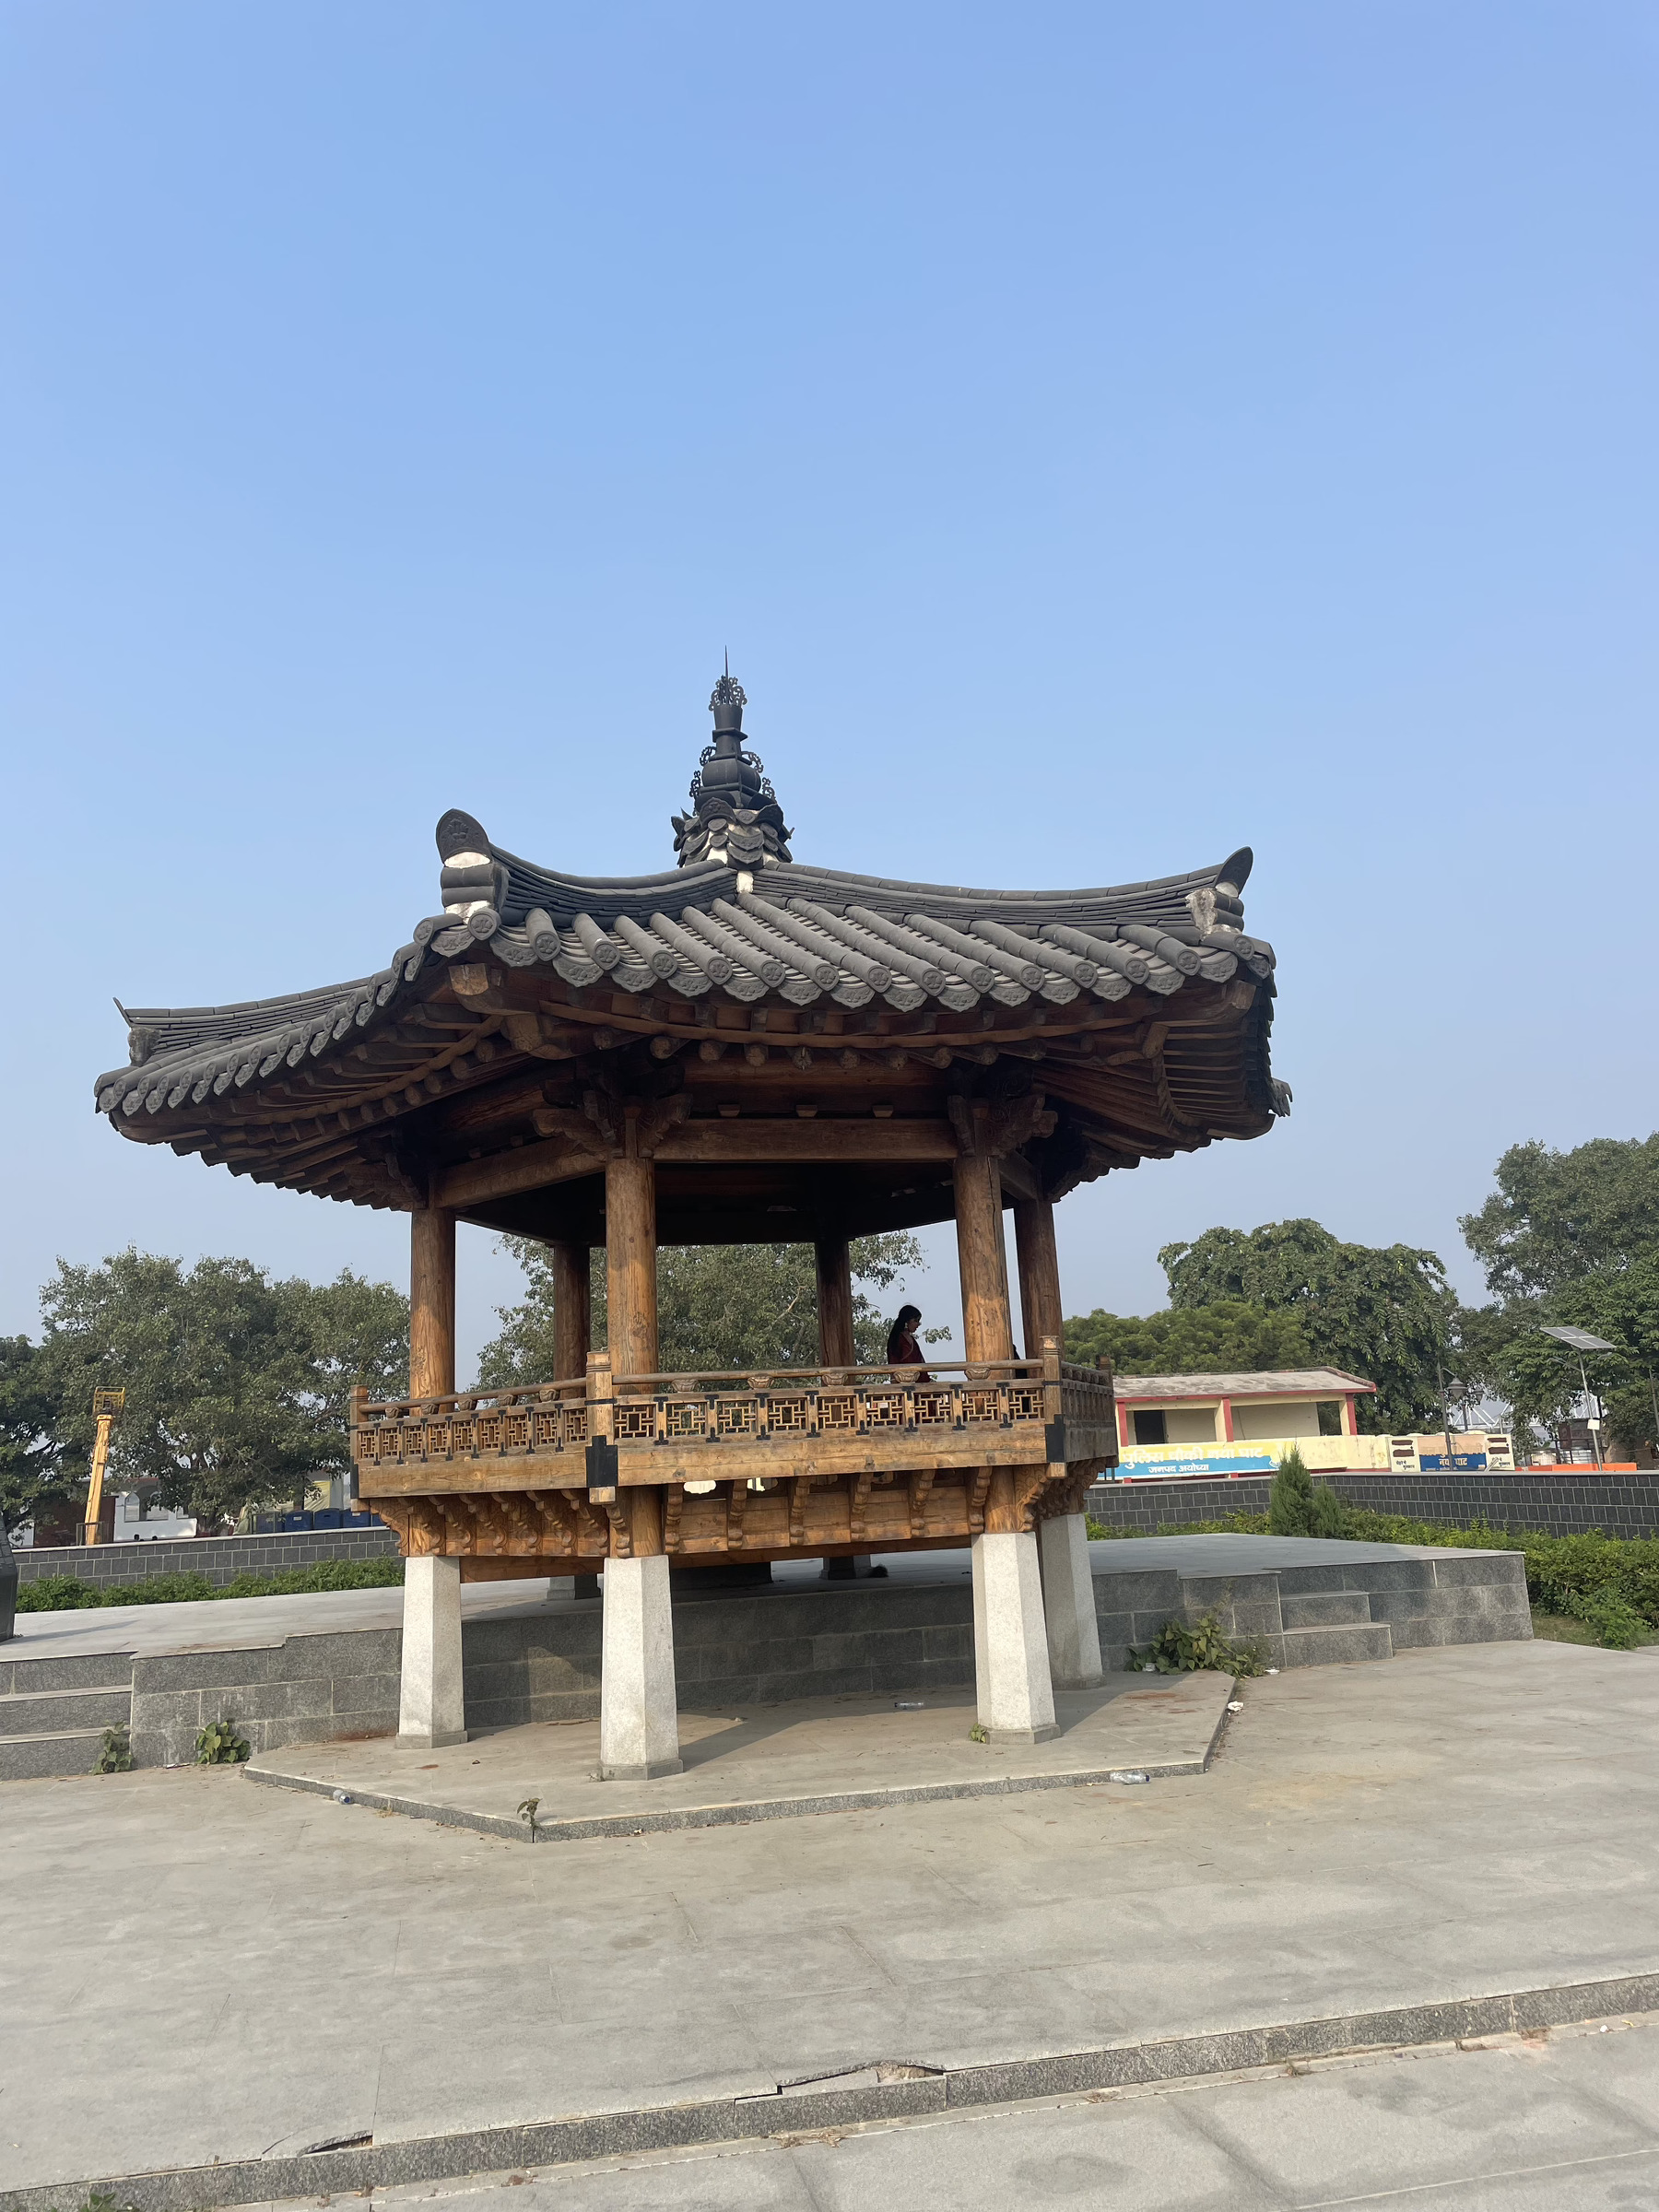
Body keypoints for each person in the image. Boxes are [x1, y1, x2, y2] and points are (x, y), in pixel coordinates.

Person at [887, 1304, 929, 1382]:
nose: (918, 1324)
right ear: (907, 1321)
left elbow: (920, 1361)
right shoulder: (896, 1339)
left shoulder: (912, 1340)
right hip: (902, 1383)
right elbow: (893, 1362)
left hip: (919, 1383)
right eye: (916, 1321)